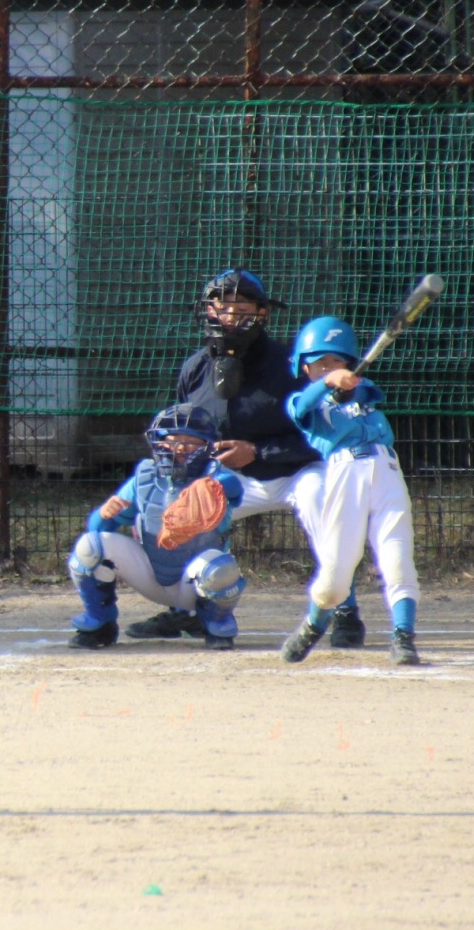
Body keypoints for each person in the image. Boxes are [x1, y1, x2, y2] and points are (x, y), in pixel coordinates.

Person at [144, 267, 369, 647]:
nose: (231, 314)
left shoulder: (290, 365)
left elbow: (326, 434)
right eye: (222, 305)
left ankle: (344, 609)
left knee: (321, 500)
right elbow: (187, 432)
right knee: (181, 509)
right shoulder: (196, 368)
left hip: (296, 470)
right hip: (232, 477)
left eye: (242, 306)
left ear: (261, 312)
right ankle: (189, 608)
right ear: (208, 310)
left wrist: (259, 451)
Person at [277, 316, 422, 667]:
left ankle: (403, 637)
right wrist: (329, 382)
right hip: (346, 473)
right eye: (320, 363)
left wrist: (347, 383)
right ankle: (314, 625)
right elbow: (303, 406)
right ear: (304, 366)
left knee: (397, 559)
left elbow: (366, 390)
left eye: (336, 361)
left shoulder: (362, 390)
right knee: (335, 574)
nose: (329, 367)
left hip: (388, 472)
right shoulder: (302, 401)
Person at [67, 404, 247, 651]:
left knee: (221, 568)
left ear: (207, 446)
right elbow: (98, 528)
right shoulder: (145, 477)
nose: (181, 448)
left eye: (190, 442)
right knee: (90, 547)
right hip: (150, 574)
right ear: (159, 442)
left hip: (194, 584)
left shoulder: (215, 479)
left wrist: (213, 487)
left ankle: (214, 623)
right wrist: (104, 513)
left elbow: (234, 489)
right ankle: (100, 623)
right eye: (173, 440)